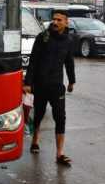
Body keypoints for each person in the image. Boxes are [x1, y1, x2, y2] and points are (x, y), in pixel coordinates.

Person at [23, 10, 76, 166]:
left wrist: (72, 81)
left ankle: (59, 154)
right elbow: (33, 61)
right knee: (38, 114)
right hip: (40, 84)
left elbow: (69, 62)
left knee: (60, 117)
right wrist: (28, 83)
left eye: (59, 20)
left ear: (66, 22)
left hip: (57, 85)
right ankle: (35, 140)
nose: (55, 22)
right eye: (54, 19)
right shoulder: (43, 38)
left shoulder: (68, 40)